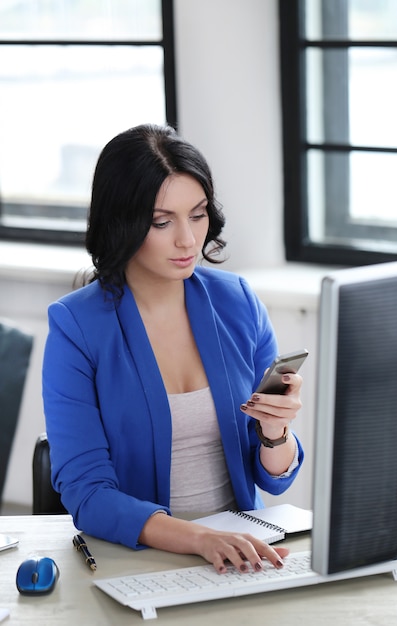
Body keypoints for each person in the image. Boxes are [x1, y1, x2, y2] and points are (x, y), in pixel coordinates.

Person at [42, 123, 305, 575]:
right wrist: (200, 539)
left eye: (198, 215)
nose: (188, 240)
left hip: (242, 552)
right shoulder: (77, 327)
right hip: (140, 559)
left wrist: (275, 433)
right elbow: (88, 494)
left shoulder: (237, 301)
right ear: (121, 222)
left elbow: (272, 479)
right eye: (162, 222)